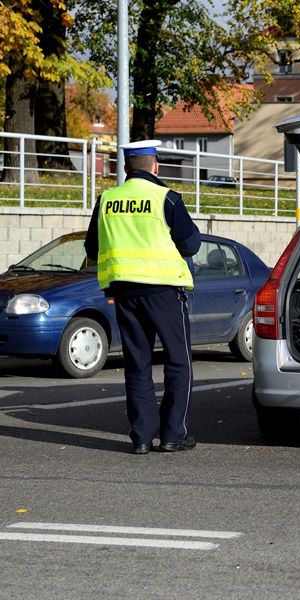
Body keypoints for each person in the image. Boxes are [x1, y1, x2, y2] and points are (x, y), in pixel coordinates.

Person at [85, 140, 201, 454]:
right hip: (163, 290)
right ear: (155, 166)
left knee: (138, 364)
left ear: (125, 168)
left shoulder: (107, 200)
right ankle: (173, 435)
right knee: (179, 362)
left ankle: (141, 438)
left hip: (124, 291)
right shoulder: (166, 197)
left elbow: (91, 249)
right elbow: (191, 246)